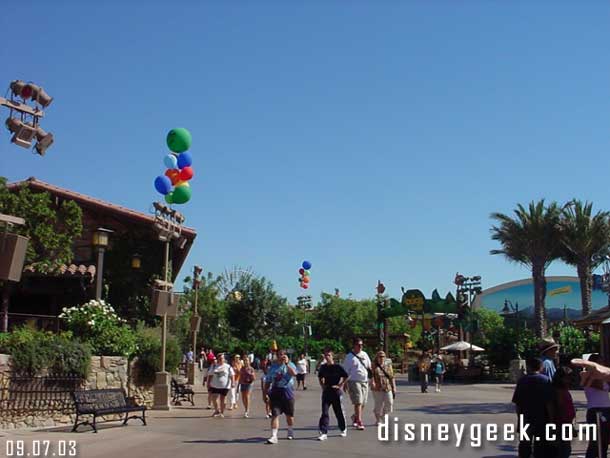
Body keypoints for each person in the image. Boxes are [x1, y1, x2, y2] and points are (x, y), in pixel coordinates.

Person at [511, 357, 556, 457]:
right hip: (542, 418)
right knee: (540, 446)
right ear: (541, 367)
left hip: (525, 417)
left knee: (524, 445)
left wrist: (519, 417)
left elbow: (517, 403)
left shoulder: (522, 381)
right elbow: (549, 403)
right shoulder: (546, 380)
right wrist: (552, 420)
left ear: (529, 367)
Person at [264, 349, 297, 444]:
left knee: (289, 415)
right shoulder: (273, 367)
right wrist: (265, 393)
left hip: (287, 392)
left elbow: (294, 373)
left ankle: (290, 430)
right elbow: (268, 381)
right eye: (279, 355)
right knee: (275, 414)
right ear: (277, 356)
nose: (281, 356)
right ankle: (274, 436)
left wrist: (287, 364)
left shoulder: (290, 365)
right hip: (275, 392)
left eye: (283, 354)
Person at [582, 354, 610, 458]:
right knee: (595, 442)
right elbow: (600, 386)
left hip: (606, 408)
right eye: (599, 362)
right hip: (596, 410)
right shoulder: (587, 375)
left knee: (605, 441)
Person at [317, 348, 348, 440]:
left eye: (329, 355)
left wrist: (340, 385)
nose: (327, 357)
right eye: (326, 355)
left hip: (336, 392)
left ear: (332, 356)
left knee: (338, 412)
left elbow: (346, 376)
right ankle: (323, 432)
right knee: (324, 412)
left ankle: (343, 429)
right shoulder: (323, 367)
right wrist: (322, 385)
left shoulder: (338, 367)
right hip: (327, 391)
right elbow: (320, 376)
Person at [342, 337, 372, 430]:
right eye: (358, 345)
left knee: (363, 402)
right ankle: (359, 421)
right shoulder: (349, 357)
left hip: (364, 380)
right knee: (358, 402)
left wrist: (372, 380)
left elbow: (369, 367)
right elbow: (345, 371)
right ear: (354, 345)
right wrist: (344, 383)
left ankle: (355, 416)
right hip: (354, 381)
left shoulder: (365, 354)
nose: (360, 346)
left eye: (361, 345)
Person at [552, 366, 575, 458]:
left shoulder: (564, 390)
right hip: (562, 423)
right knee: (564, 449)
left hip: (566, 422)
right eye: (567, 377)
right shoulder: (559, 391)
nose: (569, 380)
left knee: (565, 447)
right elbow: (560, 408)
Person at [371, 350, 396, 425]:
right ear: (377, 357)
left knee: (390, 402)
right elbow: (371, 375)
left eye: (383, 356)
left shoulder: (388, 365)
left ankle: (383, 415)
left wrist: (394, 386)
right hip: (377, 387)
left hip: (387, 386)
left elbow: (392, 376)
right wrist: (372, 382)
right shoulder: (373, 365)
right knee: (378, 404)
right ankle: (378, 420)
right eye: (380, 356)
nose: (381, 358)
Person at [207, 353, 234, 418]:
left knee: (223, 399)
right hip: (215, 385)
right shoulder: (214, 366)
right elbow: (210, 375)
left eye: (222, 358)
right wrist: (208, 383)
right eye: (219, 358)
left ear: (224, 359)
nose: (221, 359)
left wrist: (233, 383)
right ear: (217, 359)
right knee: (214, 398)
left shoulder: (228, 366)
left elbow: (232, 375)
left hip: (225, 386)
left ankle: (222, 412)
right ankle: (217, 410)